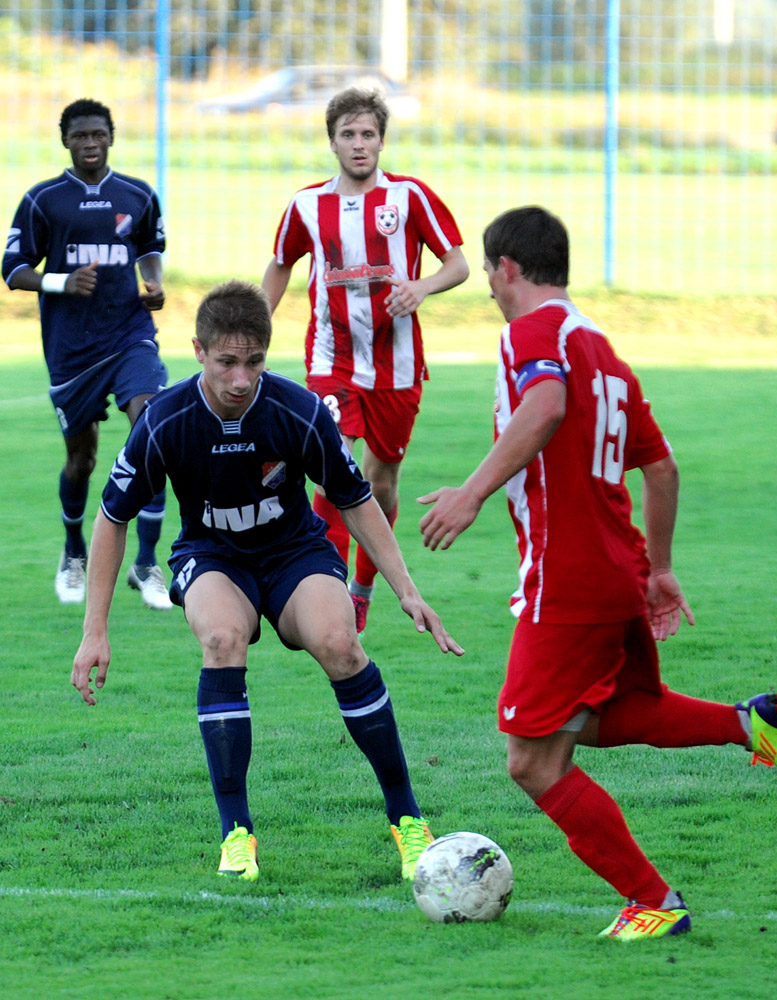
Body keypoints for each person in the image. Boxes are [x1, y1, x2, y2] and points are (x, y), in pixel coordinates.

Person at [418, 206, 777, 940]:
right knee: (608, 714)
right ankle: (747, 723)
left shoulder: (531, 332)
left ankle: (653, 899)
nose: (491, 291)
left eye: (491, 277)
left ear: (507, 268)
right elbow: (661, 467)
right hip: (620, 569)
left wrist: (470, 493)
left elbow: (545, 406)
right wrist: (659, 571)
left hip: (568, 577)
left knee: (532, 761)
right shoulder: (603, 351)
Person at [71, 279, 464, 884]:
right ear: (198, 351)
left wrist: (406, 590)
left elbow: (355, 499)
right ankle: (236, 834)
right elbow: (111, 517)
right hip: (212, 555)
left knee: (340, 644)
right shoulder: (164, 420)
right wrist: (94, 629)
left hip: (293, 551)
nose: (241, 379)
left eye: (254, 362)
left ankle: (409, 821)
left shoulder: (298, 410)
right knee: (222, 639)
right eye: (226, 363)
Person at [262, 87, 469, 635]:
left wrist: (421, 287)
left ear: (382, 141)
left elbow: (458, 264)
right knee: (332, 468)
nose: (359, 144)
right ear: (332, 142)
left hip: (397, 367)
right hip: (331, 360)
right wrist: (256, 325)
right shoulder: (307, 205)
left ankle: (363, 586)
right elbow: (281, 263)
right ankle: (326, 589)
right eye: (348, 134)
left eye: (368, 134)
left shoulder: (409, 197)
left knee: (380, 484)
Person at [2, 98, 172, 610]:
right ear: (66, 141)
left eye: (99, 134)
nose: (91, 143)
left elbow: (150, 249)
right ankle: (74, 550)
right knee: (82, 460)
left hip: (129, 336)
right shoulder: (43, 200)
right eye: (80, 135)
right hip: (71, 351)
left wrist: (154, 285)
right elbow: (13, 269)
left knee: (152, 431)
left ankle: (147, 562)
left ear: (111, 137)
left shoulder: (138, 195)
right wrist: (61, 280)